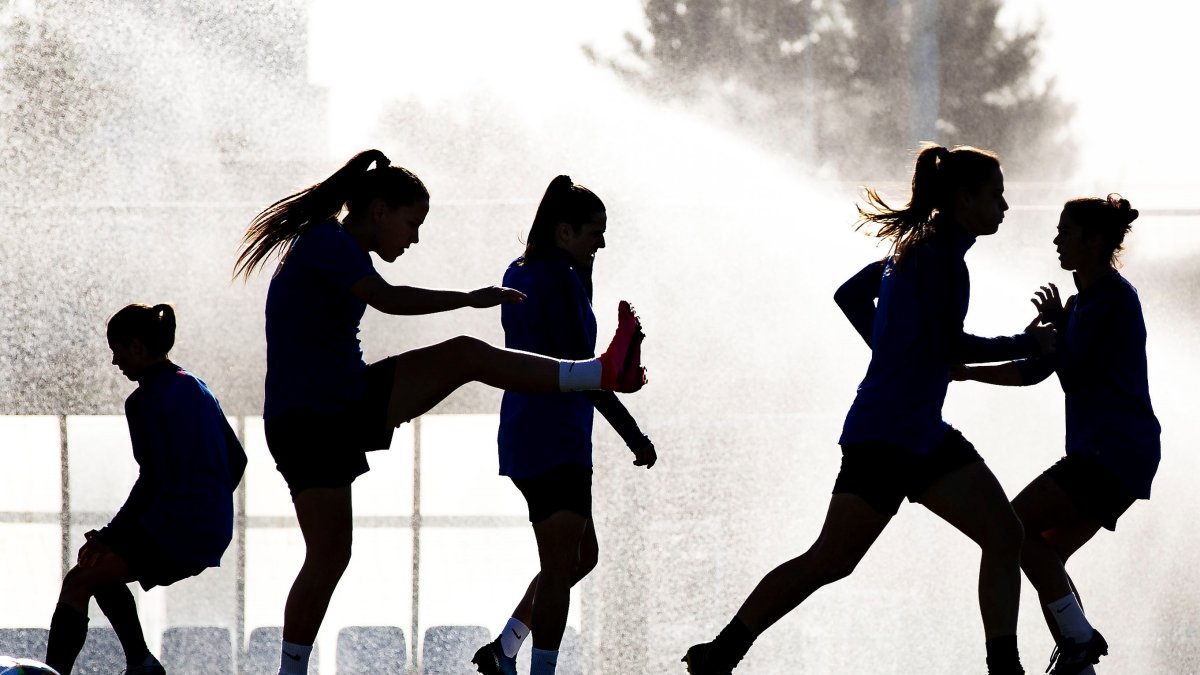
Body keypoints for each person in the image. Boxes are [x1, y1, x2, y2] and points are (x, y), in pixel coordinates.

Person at [232, 150, 647, 675]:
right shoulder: (327, 241)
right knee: (330, 554)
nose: (415, 238)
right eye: (412, 223)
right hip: (315, 417)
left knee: (331, 555)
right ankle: (599, 373)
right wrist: (467, 298)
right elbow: (388, 298)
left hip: (340, 404)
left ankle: (599, 373)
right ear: (379, 210)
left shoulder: (334, 244)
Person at [682, 144, 1056, 675]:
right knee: (834, 559)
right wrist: (1028, 343)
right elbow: (952, 349)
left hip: (910, 432)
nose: (1005, 206)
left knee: (1001, 534)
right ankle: (722, 652)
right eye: (996, 195)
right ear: (963, 198)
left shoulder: (913, 248)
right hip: (891, 436)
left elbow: (849, 296)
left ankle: (1005, 667)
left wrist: (891, 352)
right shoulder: (941, 257)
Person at [953, 194, 1158, 675]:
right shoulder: (1083, 303)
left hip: (1111, 454)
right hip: (1115, 454)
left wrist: (971, 370)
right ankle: (1080, 661)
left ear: (1096, 240)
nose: (1056, 239)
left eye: (1067, 231)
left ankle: (1081, 641)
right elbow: (1044, 366)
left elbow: (1051, 364)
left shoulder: (1113, 299)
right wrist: (970, 371)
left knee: (1013, 529)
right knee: (1044, 555)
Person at [471, 176, 657, 675]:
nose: (602, 242)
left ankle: (503, 650)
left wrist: (587, 273)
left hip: (526, 431)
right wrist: (632, 432)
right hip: (556, 437)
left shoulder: (524, 270)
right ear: (564, 231)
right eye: (595, 231)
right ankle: (540, 670)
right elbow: (586, 371)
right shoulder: (560, 279)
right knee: (559, 569)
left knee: (581, 557)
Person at [44, 304, 247, 675]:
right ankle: (141, 663)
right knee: (99, 569)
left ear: (136, 347)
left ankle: (58, 673)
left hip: (179, 527)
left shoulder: (145, 400)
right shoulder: (199, 387)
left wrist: (109, 534)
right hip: (211, 528)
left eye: (117, 350)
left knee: (78, 580)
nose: (114, 362)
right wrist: (209, 506)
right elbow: (238, 462)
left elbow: (153, 479)